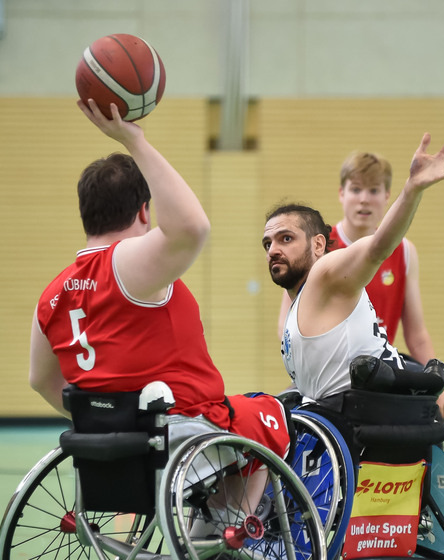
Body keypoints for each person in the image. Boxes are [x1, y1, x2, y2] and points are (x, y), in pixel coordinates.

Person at [29, 98, 289, 516]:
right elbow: (192, 227)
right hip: (179, 434)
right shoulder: (127, 264)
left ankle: (213, 536)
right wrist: (134, 140)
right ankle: (228, 544)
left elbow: (42, 379)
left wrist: (105, 422)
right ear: (144, 210)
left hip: (111, 447)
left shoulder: (54, 293)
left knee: (244, 416)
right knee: (272, 413)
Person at [263, 133, 444, 425]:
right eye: (355, 189)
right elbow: (289, 324)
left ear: (387, 196)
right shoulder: (313, 248)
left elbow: (417, 333)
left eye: (373, 190)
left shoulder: (404, 251)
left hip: (377, 370)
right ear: (341, 194)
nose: (363, 199)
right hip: (328, 373)